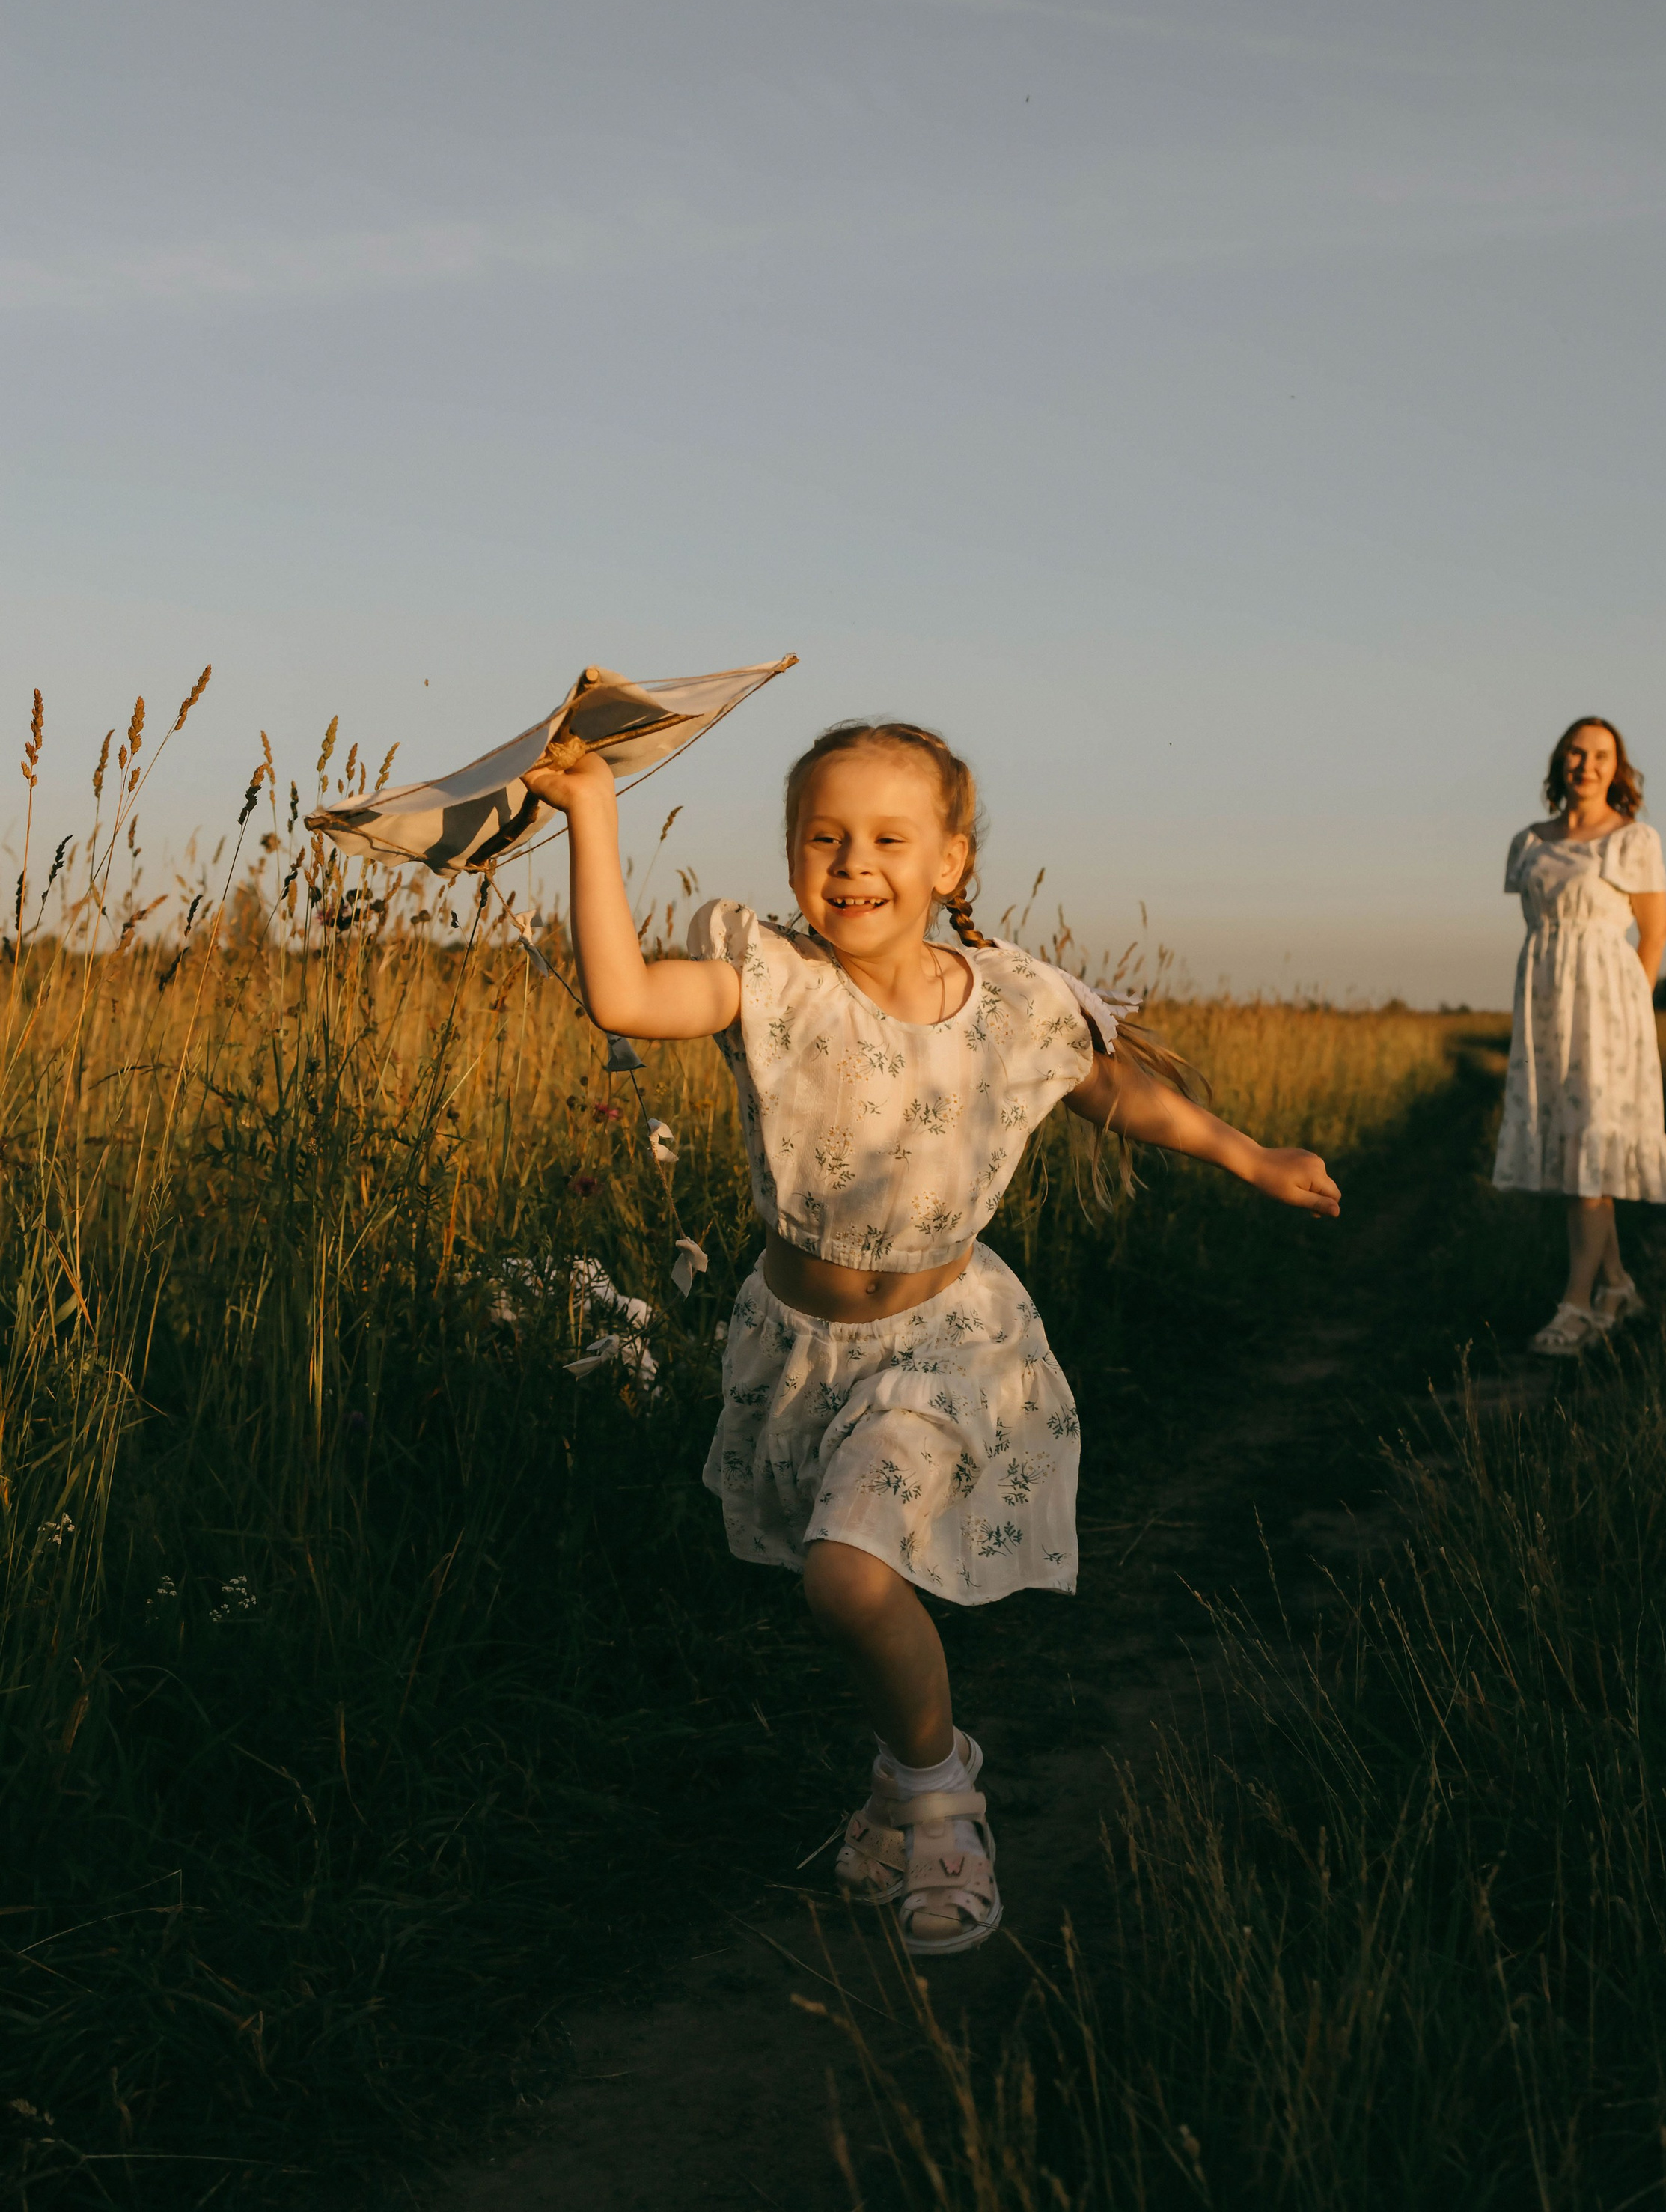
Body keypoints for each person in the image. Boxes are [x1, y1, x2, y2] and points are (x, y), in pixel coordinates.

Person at [525, 717, 1340, 1957]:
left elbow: (1114, 1090)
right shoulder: (770, 977)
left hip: (946, 1347)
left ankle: (945, 1800)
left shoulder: (1008, 1000)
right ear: (795, 854)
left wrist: (1250, 1153)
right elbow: (621, 993)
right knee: (854, 1587)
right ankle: (898, 1781)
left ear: (951, 861)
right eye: (825, 837)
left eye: (889, 838)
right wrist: (593, 816)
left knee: (846, 1574)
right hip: (803, 1348)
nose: (854, 863)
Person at [1494, 715, 1666, 1353]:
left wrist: (1632, 1008)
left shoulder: (1635, 839)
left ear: (1619, 767)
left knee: (1592, 1153)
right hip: (1546, 1003)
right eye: (1577, 753)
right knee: (1574, 1146)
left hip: (1609, 1008)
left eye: (1602, 754)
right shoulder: (1528, 841)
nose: (1588, 764)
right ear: (1560, 762)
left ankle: (1576, 1306)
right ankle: (1616, 1286)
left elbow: (1654, 933)